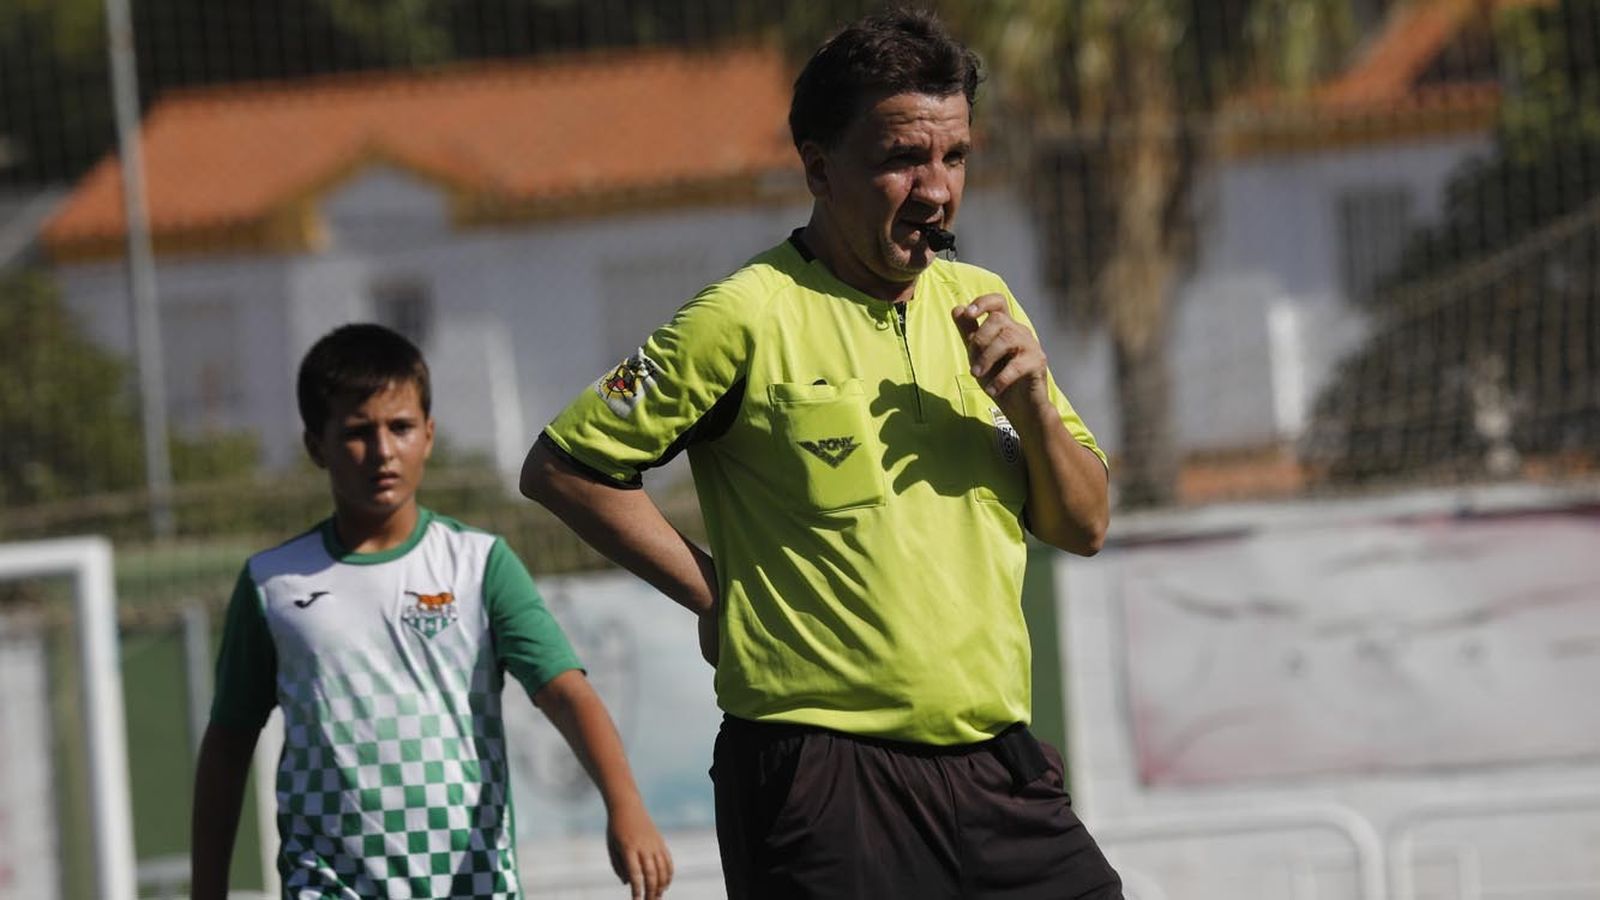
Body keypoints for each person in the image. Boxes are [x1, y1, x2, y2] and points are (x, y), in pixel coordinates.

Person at [521, 8, 1122, 899]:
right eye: (901, 158)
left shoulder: (984, 301)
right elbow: (563, 467)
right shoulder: (744, 314)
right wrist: (716, 592)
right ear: (818, 167)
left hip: (998, 768)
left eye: (955, 156)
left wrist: (1031, 405)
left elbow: (1085, 524)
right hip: (823, 777)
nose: (936, 190)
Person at [192, 323, 672, 900]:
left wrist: (625, 806)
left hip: (470, 883)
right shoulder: (272, 584)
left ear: (428, 434)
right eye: (357, 432)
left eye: (399, 427)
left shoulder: (479, 565)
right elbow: (228, 744)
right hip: (327, 887)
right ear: (316, 446)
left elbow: (567, 693)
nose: (382, 451)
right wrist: (207, 889)